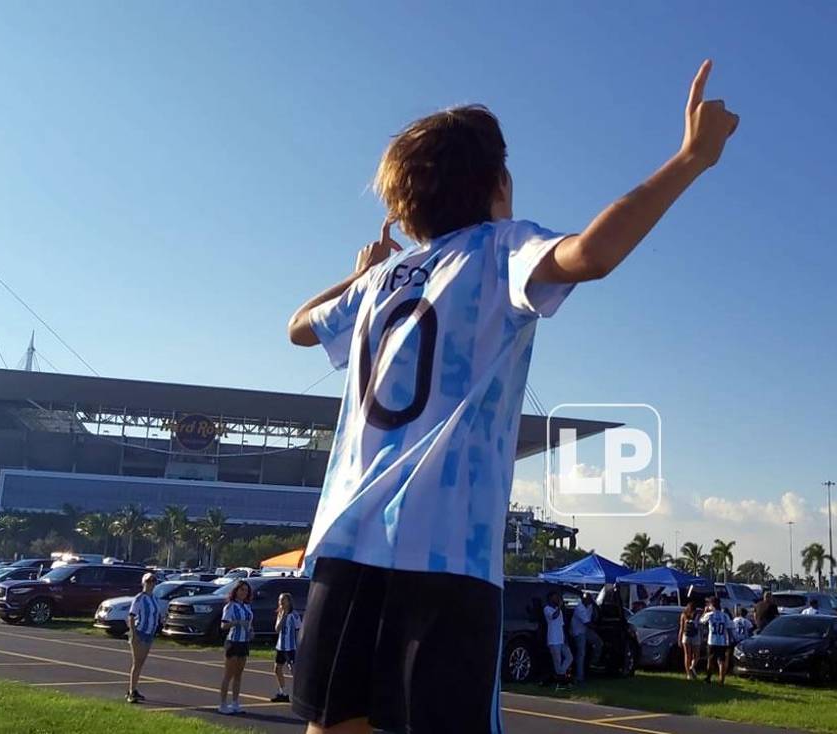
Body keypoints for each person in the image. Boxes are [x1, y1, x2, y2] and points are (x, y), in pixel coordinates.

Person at [286, 59, 738, 734]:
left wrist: (363, 273)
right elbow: (593, 253)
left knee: (335, 725)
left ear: (406, 207)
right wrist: (691, 158)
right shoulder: (500, 248)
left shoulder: (381, 283)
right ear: (497, 185)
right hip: (442, 553)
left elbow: (298, 327)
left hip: (346, 548)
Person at [218, 580, 254, 715]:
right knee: (229, 674)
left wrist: (251, 631)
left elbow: (250, 623)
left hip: (244, 642)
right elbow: (223, 625)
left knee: (239, 674)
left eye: (246, 590)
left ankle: (235, 702)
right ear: (236, 591)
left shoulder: (247, 607)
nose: (244, 593)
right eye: (241, 590)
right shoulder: (230, 606)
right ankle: (222, 703)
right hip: (233, 641)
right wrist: (237, 623)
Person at [125, 572, 160, 703]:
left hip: (150, 633)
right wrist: (133, 634)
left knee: (141, 663)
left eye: (153, 581)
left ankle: (133, 688)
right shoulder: (140, 598)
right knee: (137, 663)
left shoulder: (154, 598)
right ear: (143, 583)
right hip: (140, 632)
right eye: (148, 581)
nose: (151, 584)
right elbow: (131, 616)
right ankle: (131, 692)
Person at [272, 592, 301, 703]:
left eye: (284, 600)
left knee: (293, 670)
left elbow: (298, 630)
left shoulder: (294, 615)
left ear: (289, 602)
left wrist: (299, 646)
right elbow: (277, 629)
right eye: (280, 600)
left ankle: (298, 694)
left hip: (291, 647)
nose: (282, 603)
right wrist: (282, 616)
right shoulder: (280, 614)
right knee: (277, 669)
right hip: (281, 646)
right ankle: (282, 692)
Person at [701, 596, 734, 685]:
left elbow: (701, 621)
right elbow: (729, 628)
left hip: (712, 641)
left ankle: (708, 678)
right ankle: (721, 679)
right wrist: (730, 640)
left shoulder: (710, 615)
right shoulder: (725, 615)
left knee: (710, 660)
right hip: (722, 641)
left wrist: (705, 611)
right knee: (721, 661)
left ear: (712, 604)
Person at [543, 592, 573, 687]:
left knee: (569, 657)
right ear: (550, 599)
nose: (557, 600)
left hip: (561, 639)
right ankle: (560, 679)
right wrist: (559, 607)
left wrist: (566, 638)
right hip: (553, 639)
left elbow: (562, 625)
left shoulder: (559, 611)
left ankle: (560, 674)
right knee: (557, 660)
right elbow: (553, 617)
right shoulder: (547, 609)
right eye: (555, 598)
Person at [569, 593, 594, 684]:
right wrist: (598, 628)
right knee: (581, 654)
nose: (589, 602)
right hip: (578, 633)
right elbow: (587, 622)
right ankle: (580, 676)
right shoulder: (579, 608)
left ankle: (592, 663)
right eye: (588, 600)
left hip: (585, 631)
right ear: (583, 600)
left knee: (599, 643)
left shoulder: (590, 606)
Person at [679, 601, 702, 681]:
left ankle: (688, 673)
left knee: (687, 655)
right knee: (696, 655)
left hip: (686, 636)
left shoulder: (683, 615)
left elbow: (681, 628)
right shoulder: (698, 615)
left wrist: (679, 638)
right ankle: (692, 667)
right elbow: (700, 625)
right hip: (695, 635)